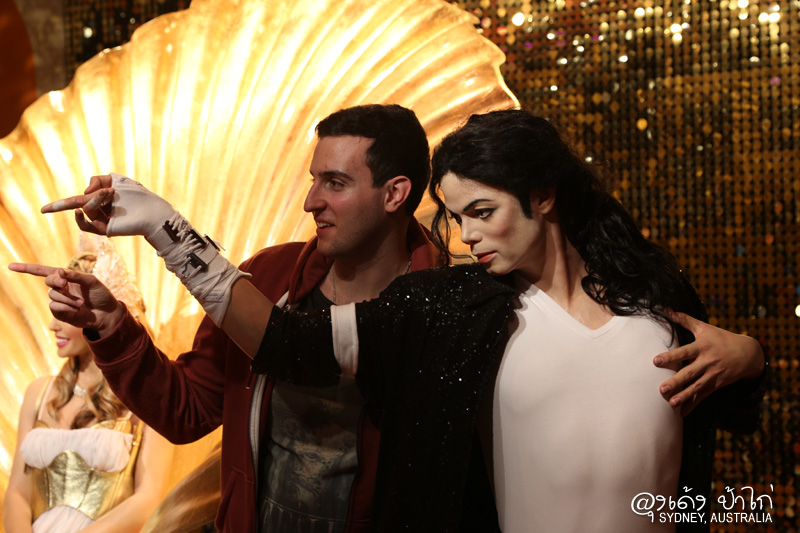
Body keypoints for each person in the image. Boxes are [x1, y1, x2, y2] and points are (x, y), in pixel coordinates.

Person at [13, 109, 765, 531]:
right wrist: (158, 237)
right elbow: (276, 350)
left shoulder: (643, 301)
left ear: (542, 197)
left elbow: (700, 448)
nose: (470, 234)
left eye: (484, 210)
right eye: (459, 216)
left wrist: (750, 356)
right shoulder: (452, 307)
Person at [13, 104, 442, 533]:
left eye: (335, 183)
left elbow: (289, 343)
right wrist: (110, 326)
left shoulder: (444, 311)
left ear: (394, 194)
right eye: (314, 180)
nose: (311, 202)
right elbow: (186, 409)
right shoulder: (269, 278)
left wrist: (167, 227)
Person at [3, 237, 172, 533]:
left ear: (100, 314)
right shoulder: (39, 393)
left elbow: (149, 498)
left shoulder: (144, 398)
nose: (53, 325)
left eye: (66, 312)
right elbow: (17, 492)